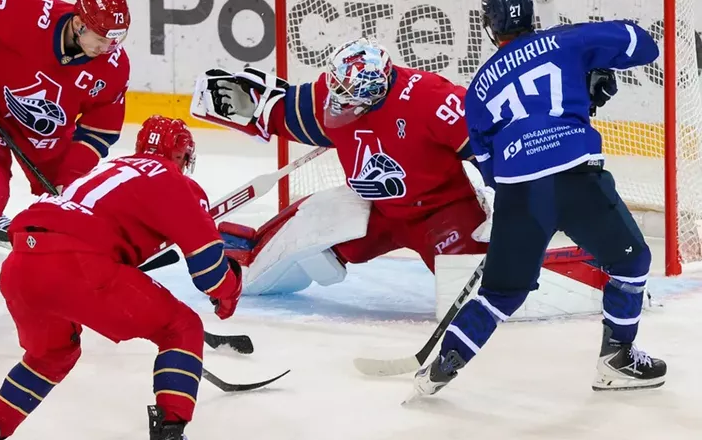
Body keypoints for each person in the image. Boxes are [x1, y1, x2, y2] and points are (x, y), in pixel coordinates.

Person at [0, 115, 241, 440]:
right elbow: (210, 274)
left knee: (51, 354)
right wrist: (229, 292)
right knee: (181, 328)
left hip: (20, 264)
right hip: (77, 263)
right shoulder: (174, 181)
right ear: (182, 156)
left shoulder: (107, 169)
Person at [412, 0, 665, 397]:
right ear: (532, 16)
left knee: (499, 295)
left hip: (519, 195)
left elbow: (490, 169)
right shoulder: (566, 40)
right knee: (631, 263)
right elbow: (643, 44)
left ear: (490, 27)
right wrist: (591, 72)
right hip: (576, 179)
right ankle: (616, 358)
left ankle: (441, 367)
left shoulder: (478, 89)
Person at [192, 38, 491, 296]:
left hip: (443, 212)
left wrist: (506, 198)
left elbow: (491, 145)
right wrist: (258, 108)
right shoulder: (334, 94)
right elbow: (296, 112)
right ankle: (252, 257)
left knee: (480, 288)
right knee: (311, 226)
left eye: (344, 94)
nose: (334, 100)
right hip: (378, 209)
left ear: (372, 90)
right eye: (335, 86)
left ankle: (515, 268)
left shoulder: (432, 98)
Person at [0, 0, 132, 330]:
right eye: (102, 38)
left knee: (73, 207)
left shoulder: (113, 66)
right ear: (79, 24)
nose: (109, 48)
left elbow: (100, 130)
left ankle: (71, 283)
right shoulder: (28, 12)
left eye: (115, 40)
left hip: (47, 137)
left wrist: (71, 176)